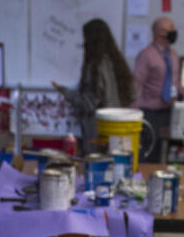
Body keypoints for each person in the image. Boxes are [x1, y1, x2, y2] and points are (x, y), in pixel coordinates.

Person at [53, 19, 136, 152]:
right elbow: (131, 95)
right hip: (117, 129)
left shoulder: (95, 67)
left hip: (99, 132)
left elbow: (88, 103)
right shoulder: (116, 63)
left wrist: (64, 91)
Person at [133, 17, 184, 163]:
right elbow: (136, 84)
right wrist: (133, 113)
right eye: (169, 29)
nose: (173, 32)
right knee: (148, 153)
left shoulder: (173, 55)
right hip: (150, 112)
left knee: (164, 154)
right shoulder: (146, 55)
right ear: (159, 33)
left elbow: (175, 82)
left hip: (169, 111)